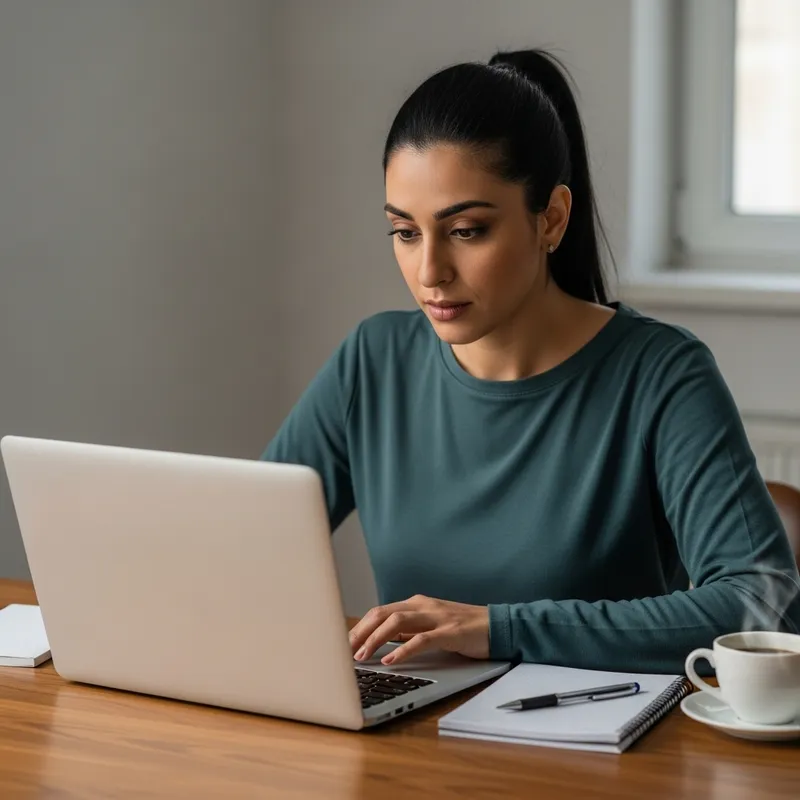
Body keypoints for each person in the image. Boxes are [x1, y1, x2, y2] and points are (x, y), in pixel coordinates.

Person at [262, 49, 800, 673]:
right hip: (404, 744)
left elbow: (763, 602)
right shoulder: (372, 361)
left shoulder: (660, 372)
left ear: (552, 218)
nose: (429, 271)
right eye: (405, 232)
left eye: (466, 230)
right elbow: (247, 547)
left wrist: (498, 627)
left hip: (594, 753)